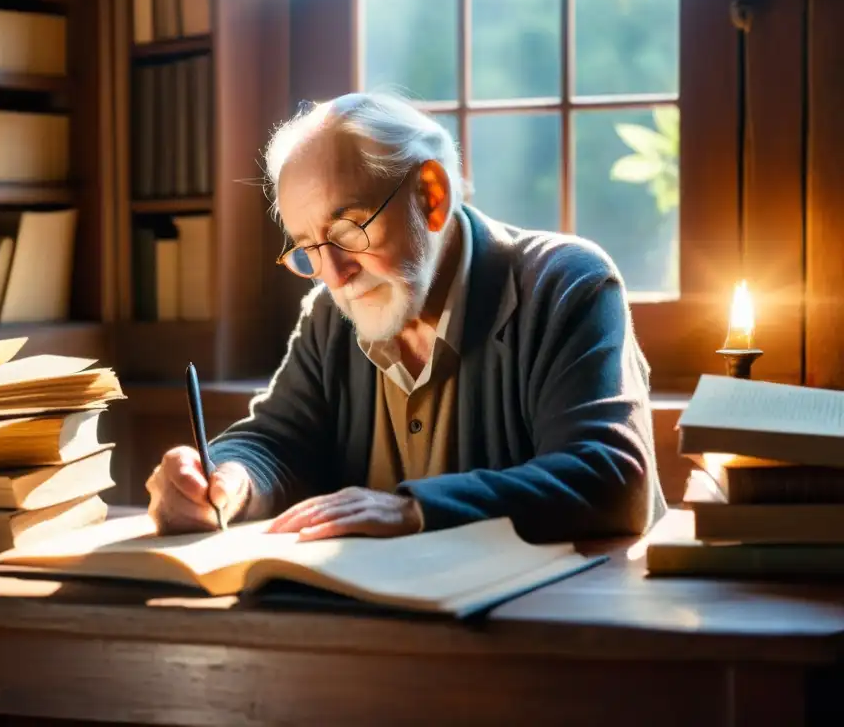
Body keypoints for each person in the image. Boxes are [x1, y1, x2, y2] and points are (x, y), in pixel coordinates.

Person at [146, 91, 666, 544]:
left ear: (431, 197)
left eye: (349, 230)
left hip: (554, 634)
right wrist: (228, 480)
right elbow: (277, 440)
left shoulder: (565, 284)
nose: (335, 274)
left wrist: (413, 508)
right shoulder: (331, 314)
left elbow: (612, 478)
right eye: (308, 249)